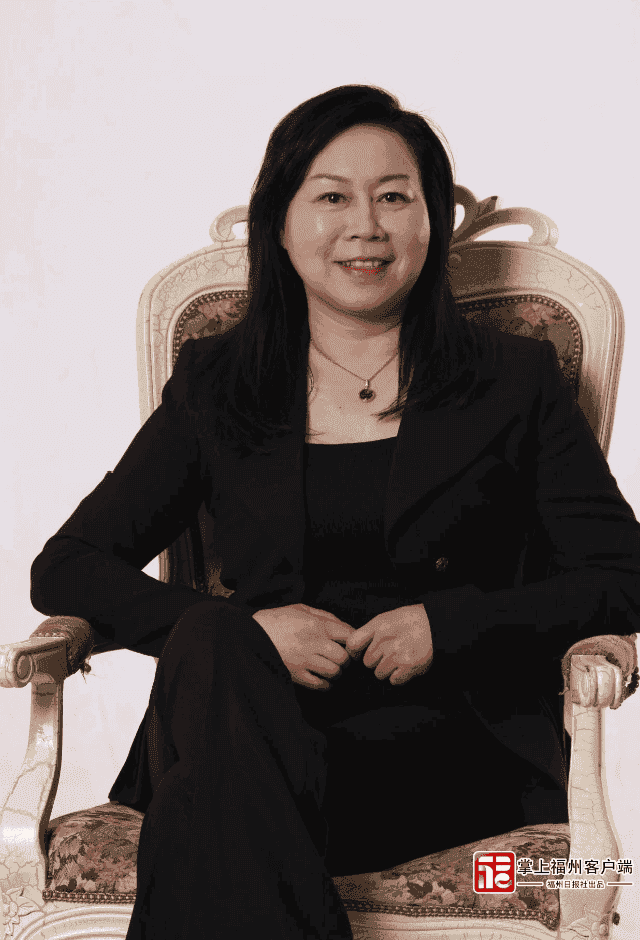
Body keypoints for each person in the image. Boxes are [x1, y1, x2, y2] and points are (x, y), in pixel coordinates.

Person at [30, 85, 640, 940]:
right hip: (248, 720)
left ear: (430, 220)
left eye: (393, 196)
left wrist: (448, 625)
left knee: (211, 804)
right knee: (213, 640)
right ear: (279, 224)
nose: (366, 227)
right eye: (332, 197)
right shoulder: (218, 384)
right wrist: (252, 637)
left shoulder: (513, 381)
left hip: (445, 749)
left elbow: (622, 575)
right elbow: (67, 565)